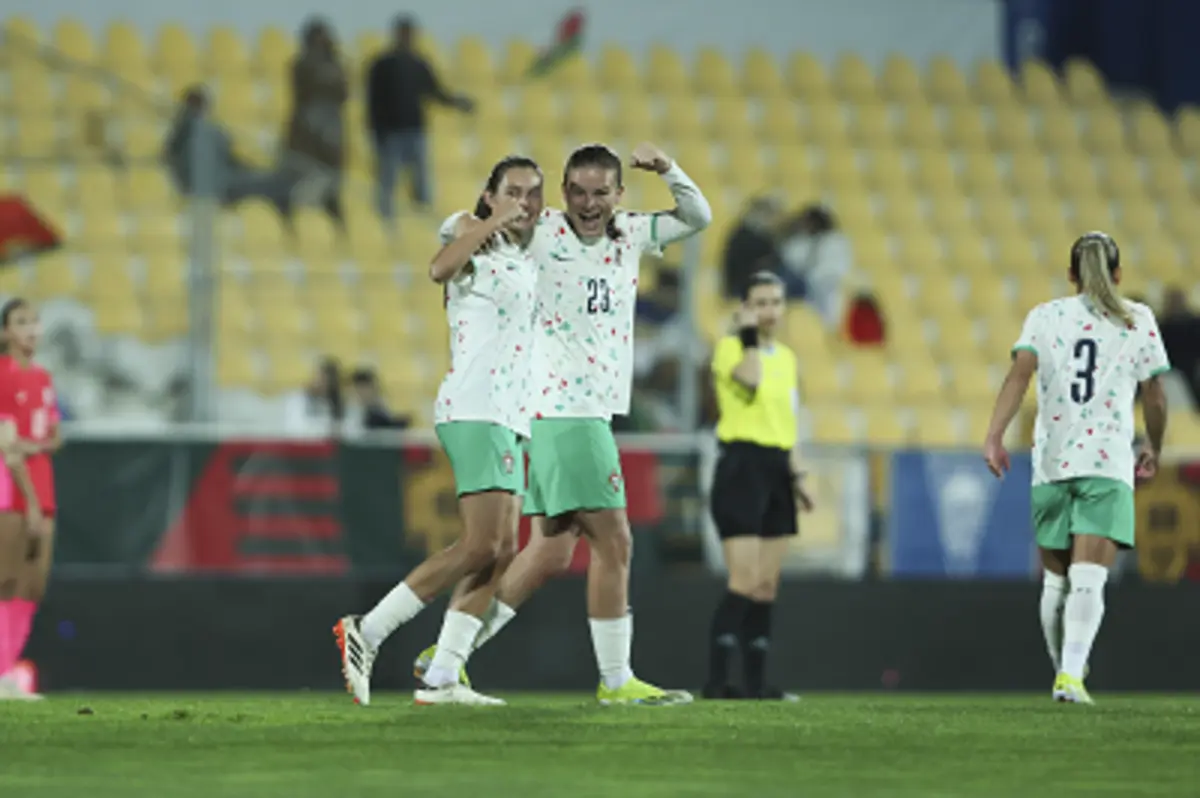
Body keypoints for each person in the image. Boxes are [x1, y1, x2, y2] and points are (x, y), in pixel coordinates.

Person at [413, 142, 712, 705]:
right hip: (561, 406)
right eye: (577, 191)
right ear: (564, 193)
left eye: (601, 192)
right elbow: (458, 225)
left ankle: (449, 654)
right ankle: (617, 680)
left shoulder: (630, 233)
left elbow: (698, 216)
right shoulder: (542, 230)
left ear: (619, 194)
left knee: (549, 552)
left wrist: (670, 168)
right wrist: (465, 223)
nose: (588, 203)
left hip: (584, 408)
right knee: (615, 540)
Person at [334, 155, 543, 707]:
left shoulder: (524, 259)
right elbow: (439, 268)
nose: (525, 202)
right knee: (480, 543)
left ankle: (444, 675)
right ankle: (367, 631)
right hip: (476, 406)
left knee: (501, 549)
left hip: (510, 414)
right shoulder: (470, 231)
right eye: (513, 191)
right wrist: (491, 221)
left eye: (533, 193)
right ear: (490, 195)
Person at [983, 232, 1169, 705]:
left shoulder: (1043, 316)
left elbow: (1018, 376)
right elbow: (1155, 393)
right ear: (1118, 274)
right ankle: (1070, 675)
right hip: (1105, 460)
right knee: (1089, 577)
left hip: (1052, 461)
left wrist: (994, 436)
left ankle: (1063, 670)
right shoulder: (1137, 318)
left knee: (1056, 580)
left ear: (1070, 274)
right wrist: (1154, 443)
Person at [704, 272, 814, 700]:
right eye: (760, 303)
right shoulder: (730, 349)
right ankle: (716, 681)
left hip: (777, 468)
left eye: (775, 302)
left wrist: (798, 477)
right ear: (745, 309)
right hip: (742, 466)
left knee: (767, 584)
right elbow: (749, 379)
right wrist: (747, 335)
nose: (770, 311)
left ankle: (755, 684)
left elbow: (789, 422)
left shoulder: (787, 358)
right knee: (744, 580)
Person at [0, 298, 60, 700]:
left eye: (35, 321)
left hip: (43, 485)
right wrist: (31, 503)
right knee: (6, 582)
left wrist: (33, 444)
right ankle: (2, 670)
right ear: (5, 332)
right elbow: (8, 447)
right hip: (12, 491)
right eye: (22, 322)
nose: (32, 329)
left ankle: (8, 669)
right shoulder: (3, 376)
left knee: (32, 585)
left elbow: (54, 435)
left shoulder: (42, 378)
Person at [367, 15, 475, 221]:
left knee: (421, 182)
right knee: (387, 181)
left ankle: (422, 220)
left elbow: (435, 92)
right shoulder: (382, 65)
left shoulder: (418, 64)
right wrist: (376, 132)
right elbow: (373, 101)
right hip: (390, 133)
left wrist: (458, 103)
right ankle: (384, 221)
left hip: (415, 131)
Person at [282, 17, 348, 226]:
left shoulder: (335, 65)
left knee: (330, 187)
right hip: (308, 148)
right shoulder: (303, 65)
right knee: (305, 193)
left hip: (329, 142)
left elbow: (344, 93)